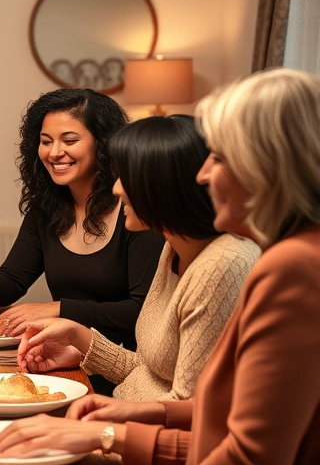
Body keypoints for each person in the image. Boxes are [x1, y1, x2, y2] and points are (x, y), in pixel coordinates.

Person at [0, 68, 320, 465]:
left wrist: (112, 435)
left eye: (218, 158)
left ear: (263, 165)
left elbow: (250, 462)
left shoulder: (281, 266)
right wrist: (99, 371)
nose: (202, 176)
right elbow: (200, 410)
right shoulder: (193, 252)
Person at [15, 115, 259, 402]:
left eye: (127, 177)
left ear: (165, 183)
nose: (116, 189)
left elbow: (189, 407)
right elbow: (150, 373)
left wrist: (104, 424)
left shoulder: (221, 264)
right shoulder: (173, 250)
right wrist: (78, 338)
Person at [0, 88, 164, 392]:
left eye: (70, 141)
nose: (54, 152)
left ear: (104, 144)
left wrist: (58, 309)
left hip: (127, 373)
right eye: (46, 142)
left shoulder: (135, 210)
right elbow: (13, 278)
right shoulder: (47, 208)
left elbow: (139, 311)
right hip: (64, 362)